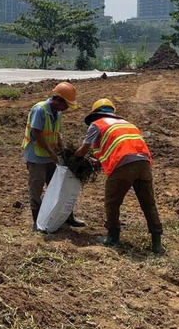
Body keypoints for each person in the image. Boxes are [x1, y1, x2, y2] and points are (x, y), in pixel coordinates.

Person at [72, 98, 164, 254]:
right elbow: (121, 147)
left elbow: (82, 151)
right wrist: (100, 161)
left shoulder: (97, 124)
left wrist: (72, 157)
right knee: (148, 204)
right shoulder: (128, 124)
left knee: (112, 202)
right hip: (144, 164)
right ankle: (157, 243)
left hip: (124, 167)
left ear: (95, 113)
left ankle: (113, 237)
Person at [22, 82, 85, 230]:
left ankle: (66, 217)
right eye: (66, 104)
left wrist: (63, 152)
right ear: (58, 100)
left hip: (50, 157)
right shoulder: (40, 110)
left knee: (58, 187)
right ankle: (37, 222)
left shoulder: (58, 113)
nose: (67, 108)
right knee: (36, 188)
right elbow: (37, 134)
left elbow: (56, 135)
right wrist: (51, 153)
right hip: (37, 156)